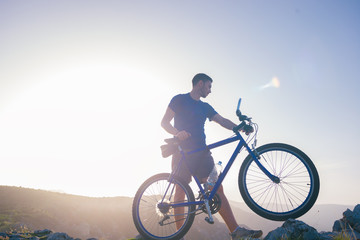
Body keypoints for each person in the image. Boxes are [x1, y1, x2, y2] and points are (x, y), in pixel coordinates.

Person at [161, 73, 263, 240]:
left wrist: (238, 127)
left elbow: (221, 120)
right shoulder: (179, 99)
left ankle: (235, 231)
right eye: (209, 86)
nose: (210, 91)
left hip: (202, 152)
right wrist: (177, 133)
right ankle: (179, 236)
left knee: (216, 188)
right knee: (180, 192)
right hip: (183, 152)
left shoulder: (205, 107)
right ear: (200, 84)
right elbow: (164, 122)